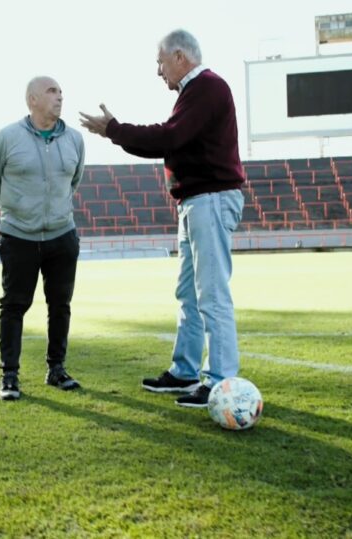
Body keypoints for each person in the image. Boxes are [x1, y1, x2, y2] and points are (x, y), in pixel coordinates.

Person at [79, 29, 245, 408]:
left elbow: (169, 137)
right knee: (189, 293)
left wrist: (114, 130)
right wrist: (116, 133)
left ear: (181, 57)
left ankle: (221, 381)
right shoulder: (196, 91)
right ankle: (185, 371)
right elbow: (169, 140)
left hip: (210, 199)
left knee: (211, 294)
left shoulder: (206, 87)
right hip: (195, 201)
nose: (158, 71)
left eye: (160, 62)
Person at [0, 76, 86, 400]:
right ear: (32, 100)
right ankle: (9, 377)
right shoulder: (7, 138)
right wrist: (15, 211)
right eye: (52, 92)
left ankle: (57, 369)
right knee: (14, 305)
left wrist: (55, 213)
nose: (59, 97)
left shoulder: (75, 140)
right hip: (19, 236)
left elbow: (74, 180)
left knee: (60, 305)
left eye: (61, 92)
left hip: (61, 235)